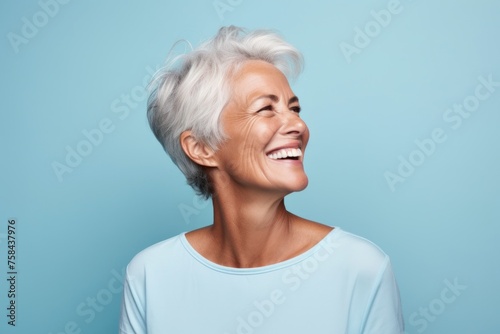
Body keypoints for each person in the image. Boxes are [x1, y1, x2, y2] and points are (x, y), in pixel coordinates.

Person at [119, 26, 404, 334]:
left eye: (294, 108)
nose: (297, 123)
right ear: (202, 147)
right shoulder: (150, 274)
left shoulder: (361, 268)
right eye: (266, 109)